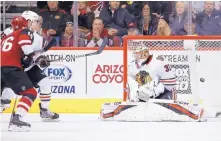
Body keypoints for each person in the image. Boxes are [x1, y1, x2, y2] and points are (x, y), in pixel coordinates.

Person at [1, 11, 59, 122]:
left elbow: (36, 55)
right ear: (28, 21)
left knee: (45, 83)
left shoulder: (38, 38)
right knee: (8, 92)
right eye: (36, 21)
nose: (39, 24)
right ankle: (6, 107)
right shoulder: (10, 32)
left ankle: (44, 110)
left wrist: (42, 60)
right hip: (14, 67)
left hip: (27, 67)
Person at [1, 16, 38, 131]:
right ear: (26, 24)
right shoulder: (23, 32)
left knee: (6, 93)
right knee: (30, 92)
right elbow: (26, 48)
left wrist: (23, 60)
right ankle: (17, 120)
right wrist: (33, 57)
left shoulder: (5, 38)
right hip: (11, 69)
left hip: (2, 68)